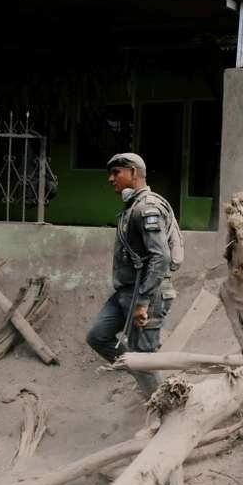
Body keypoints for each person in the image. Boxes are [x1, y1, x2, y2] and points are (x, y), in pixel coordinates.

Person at [86, 153, 180, 398]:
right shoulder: (132, 207)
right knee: (98, 336)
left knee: (144, 360)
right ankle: (143, 375)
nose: (110, 179)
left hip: (147, 295)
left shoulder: (148, 208)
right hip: (125, 293)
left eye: (116, 172)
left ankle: (165, 407)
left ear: (134, 173)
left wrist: (143, 302)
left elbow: (161, 258)